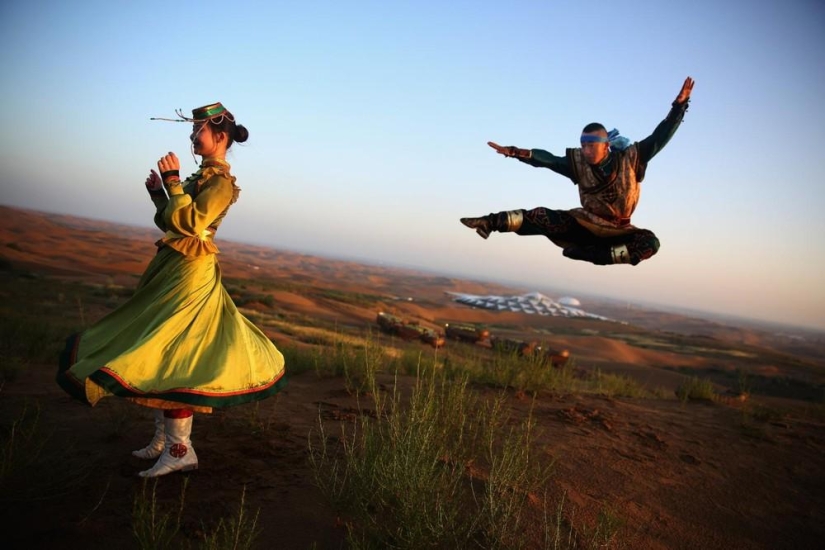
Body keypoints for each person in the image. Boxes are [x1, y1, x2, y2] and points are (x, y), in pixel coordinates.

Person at [57, 103, 287, 477]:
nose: (194, 136)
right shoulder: (203, 177)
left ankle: (181, 450)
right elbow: (170, 219)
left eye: (200, 130)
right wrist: (160, 195)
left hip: (191, 278)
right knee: (161, 350)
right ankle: (166, 442)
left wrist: (175, 183)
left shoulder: (221, 183)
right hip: (175, 269)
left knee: (173, 353)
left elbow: (192, 224)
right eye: (193, 129)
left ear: (221, 136)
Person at [460, 77, 695, 266]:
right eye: (583, 145)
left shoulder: (632, 158)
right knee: (541, 216)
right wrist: (514, 152)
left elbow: (661, 136)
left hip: (618, 232)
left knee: (649, 243)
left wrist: (679, 106)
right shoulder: (578, 164)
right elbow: (548, 160)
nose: (586, 150)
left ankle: (595, 256)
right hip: (584, 224)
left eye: (590, 145)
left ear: (605, 145)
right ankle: (489, 222)